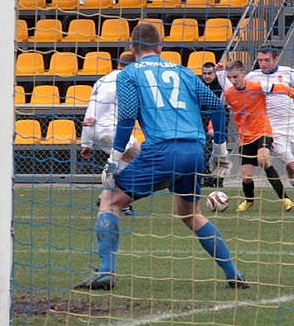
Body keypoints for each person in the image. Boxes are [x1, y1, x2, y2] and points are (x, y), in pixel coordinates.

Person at [75, 23, 248, 291]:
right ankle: (233, 273)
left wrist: (114, 158)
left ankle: (107, 272)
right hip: (194, 151)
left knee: (109, 200)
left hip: (162, 150)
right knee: (190, 213)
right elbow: (216, 105)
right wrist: (221, 150)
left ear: (132, 49)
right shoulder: (183, 72)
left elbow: (128, 115)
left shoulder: (129, 73)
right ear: (160, 48)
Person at [224, 60, 294, 213]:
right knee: (246, 177)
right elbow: (219, 109)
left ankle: (285, 198)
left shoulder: (258, 87)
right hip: (245, 137)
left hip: (263, 130)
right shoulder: (228, 93)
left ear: (243, 75)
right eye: (230, 78)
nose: (233, 81)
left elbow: (283, 88)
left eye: (235, 77)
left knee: (264, 160)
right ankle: (249, 201)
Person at [245, 45, 294, 211]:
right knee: (291, 166)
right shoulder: (252, 76)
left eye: (267, 60)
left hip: (293, 124)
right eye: (260, 60)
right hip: (272, 128)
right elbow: (237, 88)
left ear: (276, 59)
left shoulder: (288, 72)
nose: (263, 63)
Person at [80, 52, 140, 215]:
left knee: (125, 158)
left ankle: (108, 194)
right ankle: (116, 194)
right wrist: (94, 116)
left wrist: (86, 142)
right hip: (107, 127)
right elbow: (102, 101)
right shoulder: (122, 78)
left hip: (95, 129)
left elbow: (91, 102)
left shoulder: (102, 80)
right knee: (137, 156)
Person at [200, 62, 224, 188]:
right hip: (203, 117)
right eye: (205, 73)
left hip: (220, 116)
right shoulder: (199, 83)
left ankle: (219, 180)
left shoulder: (221, 82)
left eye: (210, 73)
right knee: (205, 149)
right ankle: (207, 179)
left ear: (215, 73)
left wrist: (223, 72)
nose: (207, 76)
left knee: (220, 149)